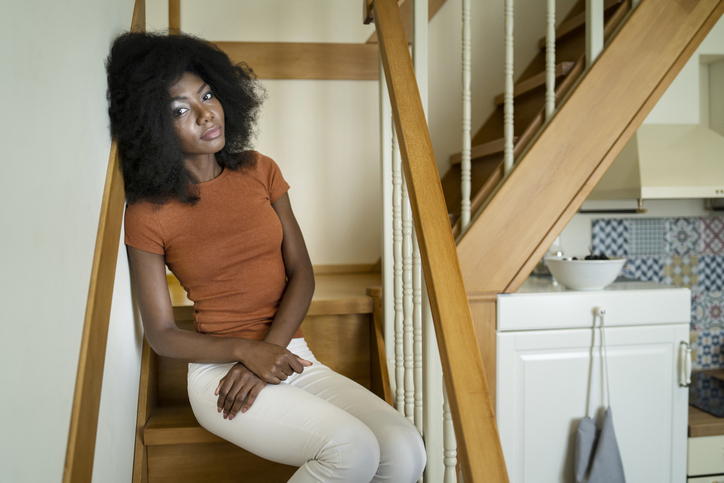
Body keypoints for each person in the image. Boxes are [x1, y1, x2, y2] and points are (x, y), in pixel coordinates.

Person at [106, 32, 425, 483]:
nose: (205, 114)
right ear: (151, 126)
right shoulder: (148, 212)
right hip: (220, 373)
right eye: (179, 110)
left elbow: (303, 274)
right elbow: (161, 334)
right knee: (351, 451)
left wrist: (269, 351)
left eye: (207, 95)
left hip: (289, 353)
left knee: (406, 450)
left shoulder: (259, 169)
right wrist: (245, 352)